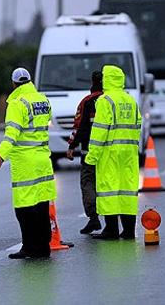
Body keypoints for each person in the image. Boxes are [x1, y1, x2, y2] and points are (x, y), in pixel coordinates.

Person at [0, 67, 57, 259]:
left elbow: (12, 133)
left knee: (24, 208)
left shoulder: (17, 103)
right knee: (42, 205)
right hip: (43, 158)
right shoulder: (42, 99)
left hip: (25, 162)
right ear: (29, 80)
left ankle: (29, 247)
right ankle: (44, 247)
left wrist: (1, 154)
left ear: (13, 84)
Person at [86, 65, 141, 240]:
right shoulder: (130, 100)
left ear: (107, 80)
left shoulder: (105, 101)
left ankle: (111, 229)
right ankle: (129, 230)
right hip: (129, 153)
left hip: (109, 152)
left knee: (109, 189)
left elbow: (99, 131)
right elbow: (138, 125)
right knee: (127, 190)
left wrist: (92, 156)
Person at [66, 70, 103, 234]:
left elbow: (78, 127)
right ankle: (113, 222)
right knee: (109, 185)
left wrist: (71, 146)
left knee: (88, 183)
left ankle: (93, 218)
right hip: (111, 153)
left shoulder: (87, 102)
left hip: (89, 152)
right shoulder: (112, 101)